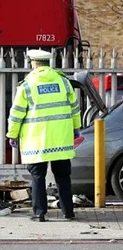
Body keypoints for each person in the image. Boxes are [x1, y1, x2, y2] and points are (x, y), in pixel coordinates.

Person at [5, 49, 81, 222]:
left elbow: (16, 113)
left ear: (33, 63)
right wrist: (76, 128)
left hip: (36, 141)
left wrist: (12, 134)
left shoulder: (26, 86)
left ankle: (40, 213)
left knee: (37, 177)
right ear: (48, 63)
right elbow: (74, 108)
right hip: (61, 139)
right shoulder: (63, 82)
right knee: (63, 176)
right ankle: (68, 211)